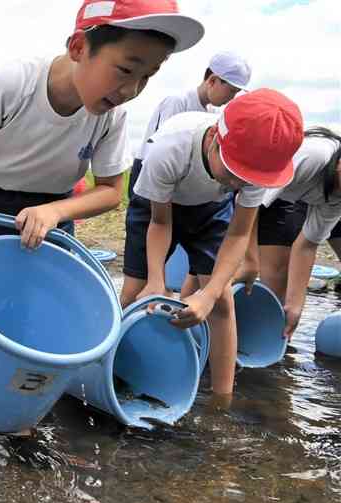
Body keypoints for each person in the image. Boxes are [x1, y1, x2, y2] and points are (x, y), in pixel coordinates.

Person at [0, 0, 205, 402]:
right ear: (79, 48)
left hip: (53, 208)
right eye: (126, 69)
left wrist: (56, 211)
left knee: (36, 307)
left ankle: (17, 409)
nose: (130, 90)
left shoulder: (111, 117)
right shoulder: (15, 83)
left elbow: (111, 190)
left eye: (147, 76)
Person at [120, 89, 303, 399]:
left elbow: (238, 234)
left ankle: (222, 400)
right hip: (159, 207)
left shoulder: (257, 170)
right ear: (216, 139)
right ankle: (112, 366)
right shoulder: (171, 148)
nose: (238, 184)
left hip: (212, 210)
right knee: (135, 291)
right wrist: (156, 280)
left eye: (249, 179)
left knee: (221, 304)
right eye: (234, 173)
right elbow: (161, 222)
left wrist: (210, 293)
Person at [239, 127, 341, 338]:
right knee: (230, 268)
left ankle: (268, 351)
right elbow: (250, 203)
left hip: (291, 197)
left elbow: (307, 244)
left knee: (281, 301)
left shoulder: (337, 198)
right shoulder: (314, 155)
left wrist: (296, 304)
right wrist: (249, 261)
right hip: (251, 187)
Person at [126, 50, 251, 200]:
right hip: (152, 171)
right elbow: (162, 151)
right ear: (212, 80)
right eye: (230, 91)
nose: (231, 98)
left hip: (185, 178)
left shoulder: (215, 113)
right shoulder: (177, 102)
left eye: (236, 93)